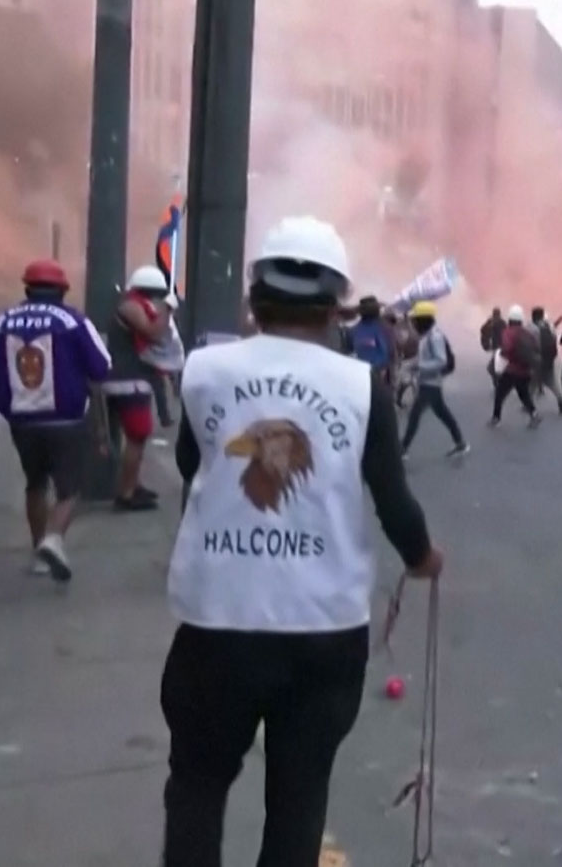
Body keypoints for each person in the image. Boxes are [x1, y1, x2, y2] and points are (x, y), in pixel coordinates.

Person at [161, 215, 442, 866]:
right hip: (322, 632)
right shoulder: (361, 387)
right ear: (335, 306)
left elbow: (191, 465)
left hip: (216, 622)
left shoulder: (204, 370)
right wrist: (423, 557)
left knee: (197, 784)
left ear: (255, 297)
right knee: (299, 794)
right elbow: (394, 503)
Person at [0, 259, 112, 581]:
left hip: (22, 421)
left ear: (27, 289)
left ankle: (38, 553)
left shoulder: (2, 322)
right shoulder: (72, 320)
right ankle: (53, 539)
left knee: (35, 483)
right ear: (62, 290)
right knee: (70, 488)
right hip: (68, 419)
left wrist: (7, 401)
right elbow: (101, 366)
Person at [102, 265, 176, 512]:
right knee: (137, 436)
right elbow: (154, 333)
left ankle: (133, 484)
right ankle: (126, 493)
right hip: (128, 381)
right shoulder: (131, 306)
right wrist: (167, 308)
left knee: (137, 437)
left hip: (130, 379)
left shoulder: (134, 304)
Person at [400, 300, 468, 458]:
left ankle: (402, 449)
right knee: (443, 413)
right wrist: (409, 364)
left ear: (423, 320)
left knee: (414, 415)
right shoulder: (427, 336)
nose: (413, 323)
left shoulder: (435, 336)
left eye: (415, 320)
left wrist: (419, 367)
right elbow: (424, 358)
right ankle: (460, 443)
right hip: (428, 382)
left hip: (430, 383)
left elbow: (440, 360)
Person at [490, 305, 541, 428]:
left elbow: (507, 348)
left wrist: (502, 354)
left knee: (500, 394)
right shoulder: (526, 333)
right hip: (525, 369)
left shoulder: (508, 332)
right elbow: (536, 347)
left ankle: (496, 418)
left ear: (510, 319)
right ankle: (534, 414)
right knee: (524, 394)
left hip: (512, 369)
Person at [348, 296, 396, 385]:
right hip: (375, 375)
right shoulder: (385, 329)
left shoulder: (353, 330)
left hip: (363, 374)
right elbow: (390, 353)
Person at [530, 306, 562, 412]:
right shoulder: (548, 327)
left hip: (536, 359)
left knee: (532, 383)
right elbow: (554, 337)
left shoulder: (532, 328)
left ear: (533, 316)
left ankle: (528, 404)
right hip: (548, 359)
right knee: (552, 382)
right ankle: (561, 402)